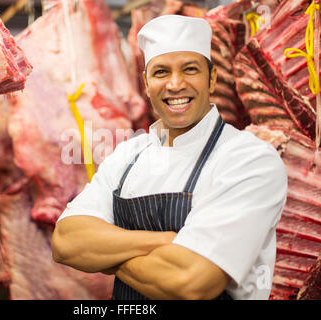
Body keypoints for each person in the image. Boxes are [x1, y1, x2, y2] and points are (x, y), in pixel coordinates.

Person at [51, 15, 288, 300]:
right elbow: (65, 242)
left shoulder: (248, 158)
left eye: (190, 69)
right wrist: (167, 241)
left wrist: (104, 254)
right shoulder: (128, 155)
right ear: (147, 83)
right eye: (161, 72)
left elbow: (191, 282)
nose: (175, 84)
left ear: (212, 79)